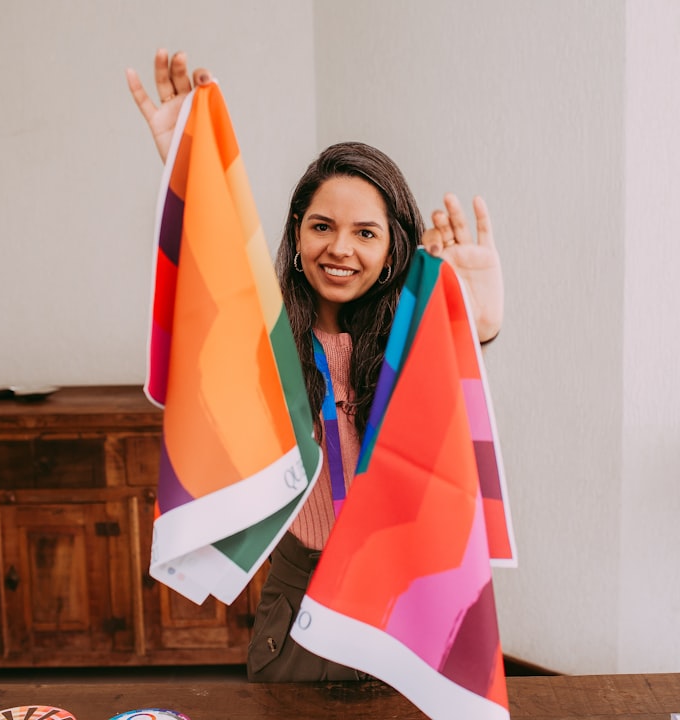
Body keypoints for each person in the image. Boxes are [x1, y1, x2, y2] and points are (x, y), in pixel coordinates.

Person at [127, 49, 504, 682]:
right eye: (322, 226)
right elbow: (209, 284)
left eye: (365, 233)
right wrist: (185, 167)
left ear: (392, 251)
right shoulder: (265, 338)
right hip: (298, 589)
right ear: (297, 235)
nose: (339, 248)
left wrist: (479, 327)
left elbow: (449, 413)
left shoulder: (409, 341)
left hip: (403, 594)